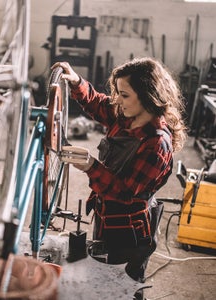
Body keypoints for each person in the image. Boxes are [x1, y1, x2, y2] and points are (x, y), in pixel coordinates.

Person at [52, 57, 187, 293]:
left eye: (124, 95)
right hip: (107, 219)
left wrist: (91, 166)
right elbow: (98, 103)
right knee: (102, 280)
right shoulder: (126, 117)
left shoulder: (157, 143)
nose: (118, 101)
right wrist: (76, 83)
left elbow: (124, 192)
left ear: (147, 95)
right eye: (118, 93)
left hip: (130, 234)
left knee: (123, 287)